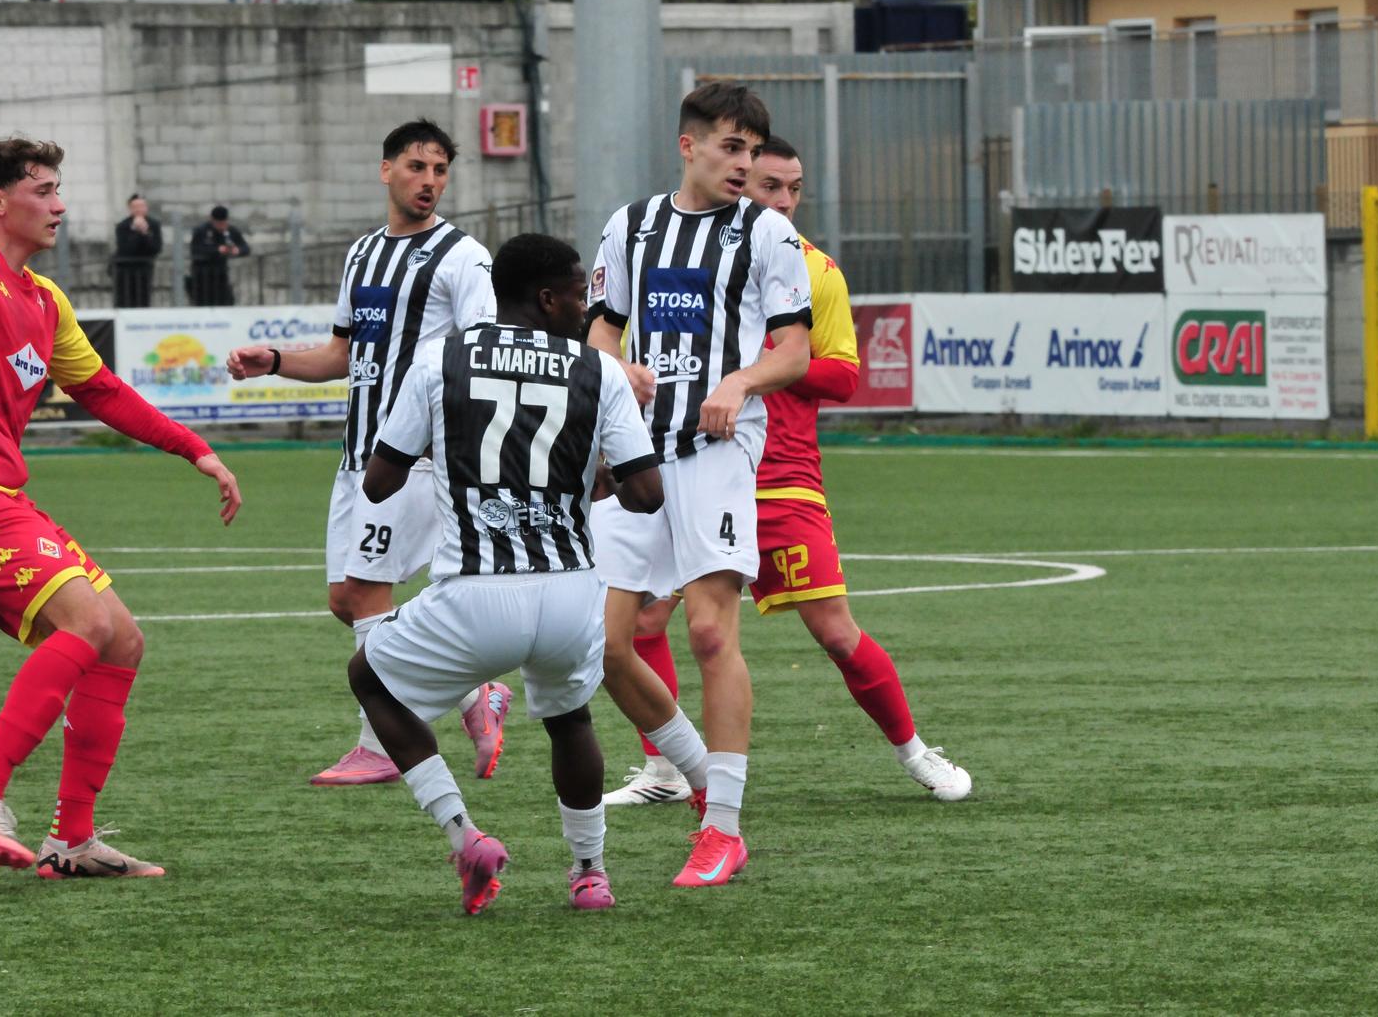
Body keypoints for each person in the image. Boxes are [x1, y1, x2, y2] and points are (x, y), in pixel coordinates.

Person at [0, 138, 242, 879]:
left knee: (122, 641)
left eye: (58, 188)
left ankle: (70, 843)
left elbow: (101, 390)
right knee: (87, 621)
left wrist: (193, 448)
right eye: (44, 190)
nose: (60, 204)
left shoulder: (45, 301)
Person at [604, 137, 971, 809]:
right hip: (685, 462)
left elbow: (843, 372)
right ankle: (663, 771)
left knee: (833, 630)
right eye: (770, 187)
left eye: (794, 189)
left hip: (781, 477)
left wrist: (758, 361)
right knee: (645, 625)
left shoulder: (814, 270)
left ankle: (915, 752)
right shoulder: (674, 248)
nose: (783, 202)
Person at [348, 233, 663, 914]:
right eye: (579, 294)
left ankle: (466, 837)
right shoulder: (598, 370)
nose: (586, 308)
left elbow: (377, 483)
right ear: (546, 297)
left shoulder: (439, 358)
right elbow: (647, 496)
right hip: (571, 593)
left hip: (474, 594)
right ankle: (589, 873)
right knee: (570, 720)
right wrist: (582, 483)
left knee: (368, 677)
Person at [226, 119, 511, 787]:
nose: (429, 181)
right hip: (359, 455)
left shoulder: (463, 257)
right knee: (343, 600)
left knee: (364, 592)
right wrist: (273, 359)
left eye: (440, 170)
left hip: (417, 458)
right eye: (416, 167)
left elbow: (479, 355)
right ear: (386, 170)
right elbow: (341, 353)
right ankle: (475, 692)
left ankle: (381, 746)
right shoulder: (361, 256)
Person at [585, 83, 813, 887]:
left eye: (753, 150)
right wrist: (619, 366)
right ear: (690, 147)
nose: (744, 164)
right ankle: (698, 774)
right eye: (730, 147)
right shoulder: (631, 225)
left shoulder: (768, 235)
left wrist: (741, 382)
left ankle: (723, 828)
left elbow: (795, 351)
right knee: (601, 646)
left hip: (717, 448)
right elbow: (599, 332)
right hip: (637, 455)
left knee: (711, 633)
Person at [188, 205, 250, 306]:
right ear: (213, 220)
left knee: (226, 303)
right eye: (219, 223)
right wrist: (217, 250)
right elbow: (196, 249)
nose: (221, 226)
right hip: (202, 276)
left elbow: (245, 248)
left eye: (224, 223)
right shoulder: (201, 231)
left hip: (221, 275)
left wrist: (237, 250)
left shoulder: (230, 231)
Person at [112, 193, 162, 308]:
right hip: (125, 271)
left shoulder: (154, 225)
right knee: (125, 300)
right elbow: (125, 248)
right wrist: (135, 231)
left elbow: (156, 248)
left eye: (142, 206)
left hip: (145, 268)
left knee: (143, 300)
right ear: (130, 209)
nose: (139, 210)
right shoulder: (123, 226)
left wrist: (145, 233)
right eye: (135, 207)